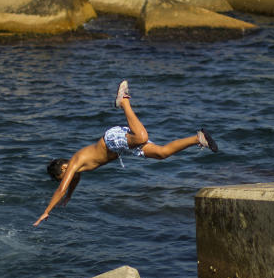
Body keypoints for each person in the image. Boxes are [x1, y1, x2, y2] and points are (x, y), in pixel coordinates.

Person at [34, 81, 218, 227]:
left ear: (64, 168)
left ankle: (124, 101)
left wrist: (47, 211)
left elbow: (61, 188)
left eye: (62, 176)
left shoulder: (74, 162)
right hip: (120, 148)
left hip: (112, 140)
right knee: (162, 154)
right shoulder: (76, 170)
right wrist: (69, 197)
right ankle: (198, 138)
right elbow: (73, 182)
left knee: (142, 136)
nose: (65, 179)